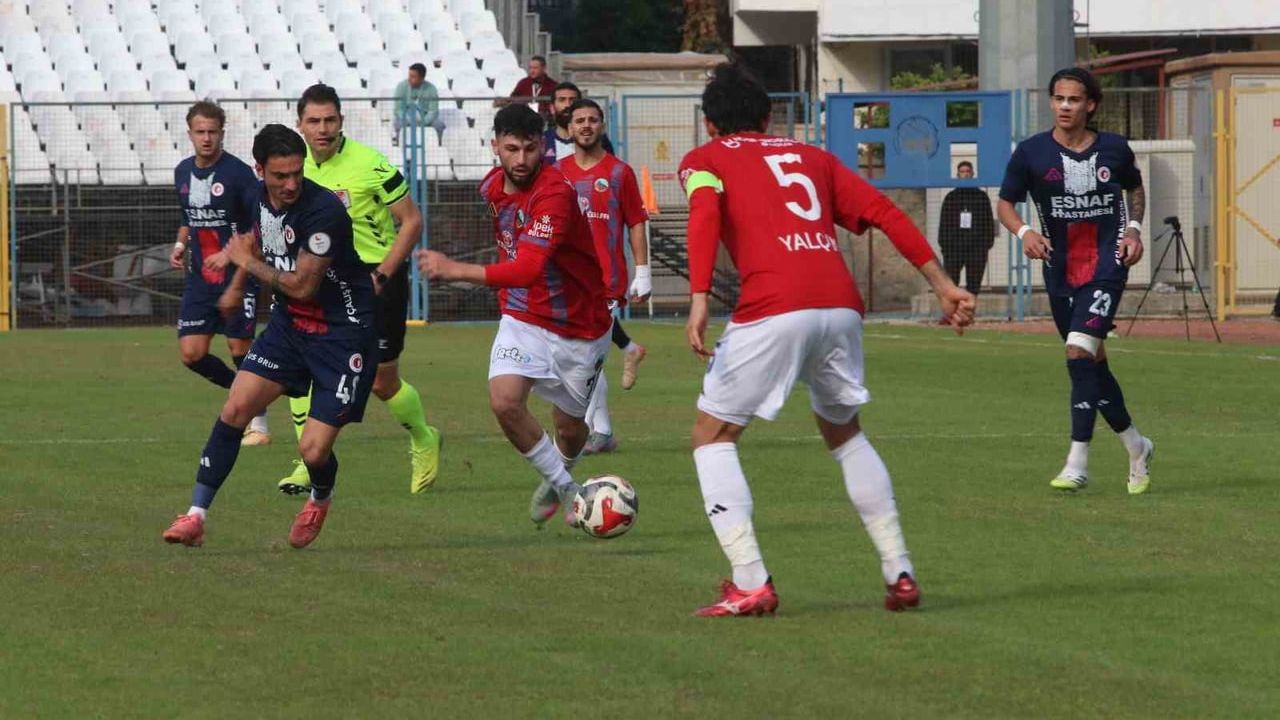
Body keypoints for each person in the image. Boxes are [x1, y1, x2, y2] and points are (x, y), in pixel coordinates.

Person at [680, 63, 976, 617]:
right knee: (845, 433)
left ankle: (750, 581)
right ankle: (899, 571)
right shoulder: (812, 158)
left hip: (774, 305)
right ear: (768, 118)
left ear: (710, 123)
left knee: (712, 436)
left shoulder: (704, 160)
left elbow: (703, 214)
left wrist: (698, 298)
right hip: (839, 306)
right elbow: (884, 211)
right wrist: (942, 285)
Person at [162, 123, 378, 549]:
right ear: (260, 170)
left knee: (313, 452)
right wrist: (237, 284)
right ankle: (195, 516)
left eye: (297, 173)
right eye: (281, 175)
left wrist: (245, 265)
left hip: (343, 334)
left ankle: (320, 496)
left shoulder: (324, 212)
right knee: (235, 407)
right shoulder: (256, 197)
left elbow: (303, 286)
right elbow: (259, 243)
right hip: (289, 326)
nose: (291, 183)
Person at [416, 104, 611, 528]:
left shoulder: (554, 194)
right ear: (495, 147)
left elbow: (526, 269)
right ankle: (567, 489)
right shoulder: (492, 187)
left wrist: (454, 269)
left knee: (570, 429)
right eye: (511, 149)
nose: (521, 159)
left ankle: (562, 469)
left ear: (542, 147)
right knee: (504, 401)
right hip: (523, 316)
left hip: (580, 324)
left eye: (529, 149)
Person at [996, 67, 1155, 495]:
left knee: (1077, 351)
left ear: (1091, 105)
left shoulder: (1114, 148)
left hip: (1107, 264)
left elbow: (1135, 189)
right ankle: (1136, 446)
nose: (1065, 106)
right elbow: (1005, 204)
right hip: (1060, 269)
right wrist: (1025, 233)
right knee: (1091, 365)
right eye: (1059, 99)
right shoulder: (1030, 153)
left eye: (1074, 99)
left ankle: (1077, 462)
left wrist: (1133, 229)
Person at [279, 84, 442, 496]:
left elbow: (412, 221)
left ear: (341, 122)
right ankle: (307, 460)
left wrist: (382, 275)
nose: (322, 128)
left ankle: (424, 436)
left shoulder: (370, 164)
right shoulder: (293, 170)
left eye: (329, 120)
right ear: (300, 125)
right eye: (314, 121)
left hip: (374, 280)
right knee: (299, 370)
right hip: (320, 279)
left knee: (382, 382)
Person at [170, 100, 271, 445]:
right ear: (190, 134)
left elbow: (258, 228)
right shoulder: (182, 172)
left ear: (222, 133)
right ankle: (244, 393)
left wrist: (230, 257)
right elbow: (188, 218)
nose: (207, 138)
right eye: (200, 132)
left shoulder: (239, 174)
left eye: (212, 132)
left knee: (239, 347)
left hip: (237, 275)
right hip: (200, 278)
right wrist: (180, 245)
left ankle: (259, 426)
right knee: (191, 354)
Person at [557, 98, 650, 454]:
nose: (586, 125)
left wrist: (643, 271)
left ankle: (600, 431)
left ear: (602, 126)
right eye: (579, 120)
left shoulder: (619, 172)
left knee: (584, 355)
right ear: (569, 129)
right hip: (566, 281)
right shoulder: (557, 173)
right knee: (572, 359)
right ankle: (601, 431)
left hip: (605, 282)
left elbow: (636, 222)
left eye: (592, 120)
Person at [938, 160, 996, 295]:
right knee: (951, 286)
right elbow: (944, 224)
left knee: (973, 287)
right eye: (962, 172)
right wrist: (945, 246)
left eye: (968, 171)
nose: (965, 174)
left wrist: (985, 245)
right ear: (958, 175)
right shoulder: (951, 198)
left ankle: (970, 308)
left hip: (976, 250)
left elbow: (988, 223)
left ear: (972, 174)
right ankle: (954, 309)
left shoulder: (981, 197)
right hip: (953, 250)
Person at [542, 81, 615, 166]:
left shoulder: (598, 139)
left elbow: (610, 167)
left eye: (572, 100)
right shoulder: (544, 140)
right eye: (562, 100)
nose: (568, 105)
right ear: (552, 108)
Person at [392, 62, 440, 147]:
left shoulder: (431, 89)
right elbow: (398, 110)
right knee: (398, 123)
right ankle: (401, 146)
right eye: (409, 75)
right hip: (406, 118)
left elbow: (433, 111)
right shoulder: (401, 86)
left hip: (424, 118)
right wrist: (410, 121)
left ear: (422, 78)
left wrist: (424, 122)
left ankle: (433, 148)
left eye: (413, 76)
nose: (409, 79)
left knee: (439, 125)